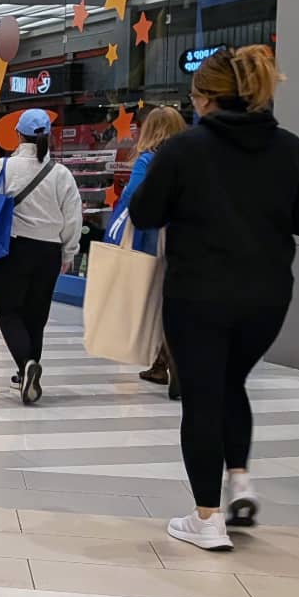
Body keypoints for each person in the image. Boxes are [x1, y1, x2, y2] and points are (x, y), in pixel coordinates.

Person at [129, 46, 299, 551]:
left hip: (198, 295)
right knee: (231, 382)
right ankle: (240, 482)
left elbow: (145, 212)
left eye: (195, 97)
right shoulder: (291, 149)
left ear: (210, 99)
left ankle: (207, 518)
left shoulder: (184, 150)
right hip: (267, 299)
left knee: (201, 398)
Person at [0, 109, 82, 404]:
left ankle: (26, 365)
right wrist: (68, 251)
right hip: (48, 252)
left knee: (8, 311)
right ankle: (27, 375)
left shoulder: (3, 167)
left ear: (18, 135)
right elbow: (73, 217)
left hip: (12, 249)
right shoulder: (60, 174)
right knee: (37, 315)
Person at [105, 106, 188, 399]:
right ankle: (162, 362)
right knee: (174, 297)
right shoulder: (189, 158)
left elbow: (135, 197)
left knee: (155, 299)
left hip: (155, 235)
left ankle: (170, 359)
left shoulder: (148, 159)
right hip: (185, 235)